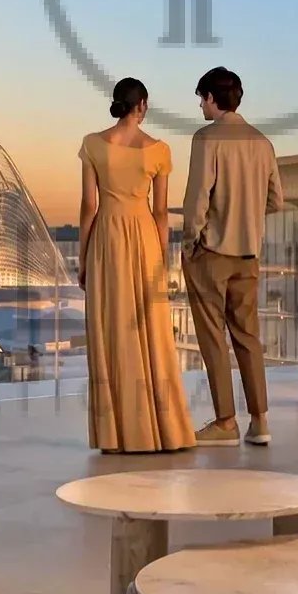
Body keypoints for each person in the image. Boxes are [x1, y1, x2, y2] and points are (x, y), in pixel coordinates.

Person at [76, 77, 194, 453]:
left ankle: (116, 435)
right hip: (143, 238)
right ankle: (164, 430)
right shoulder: (157, 150)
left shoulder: (93, 144)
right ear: (142, 105)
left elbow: (88, 207)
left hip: (106, 239)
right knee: (151, 332)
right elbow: (161, 212)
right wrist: (161, 259)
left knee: (111, 331)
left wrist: (82, 256)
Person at [178, 65, 283, 447]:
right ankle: (260, 420)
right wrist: (247, 215)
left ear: (210, 98)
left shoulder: (206, 140)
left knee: (212, 338)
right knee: (248, 337)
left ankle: (225, 422)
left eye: (200, 99)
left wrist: (191, 241)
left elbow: (196, 201)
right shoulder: (262, 142)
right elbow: (276, 199)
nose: (200, 107)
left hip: (212, 251)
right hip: (249, 254)